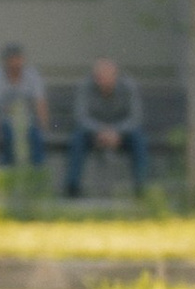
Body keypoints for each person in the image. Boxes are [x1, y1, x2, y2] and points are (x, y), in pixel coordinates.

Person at [64, 55, 152, 199]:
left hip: (122, 134)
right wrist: (101, 131)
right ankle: (72, 187)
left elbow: (136, 117)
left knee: (138, 138)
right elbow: (80, 116)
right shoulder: (85, 86)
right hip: (93, 133)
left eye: (105, 76)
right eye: (98, 76)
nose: (101, 80)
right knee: (77, 138)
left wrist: (116, 132)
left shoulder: (128, 87)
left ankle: (141, 187)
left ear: (116, 75)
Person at [0, 43, 47, 175]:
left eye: (18, 59)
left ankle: (37, 174)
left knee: (35, 136)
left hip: (28, 121)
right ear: (6, 62)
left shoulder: (31, 75)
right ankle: (8, 172)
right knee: (8, 136)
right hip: (4, 122)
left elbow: (40, 102)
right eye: (12, 60)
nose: (16, 63)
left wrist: (43, 125)